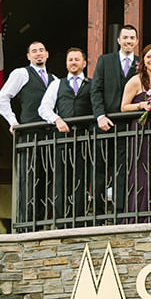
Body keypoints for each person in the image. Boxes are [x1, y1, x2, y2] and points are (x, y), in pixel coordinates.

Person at [0, 40, 55, 230]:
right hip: (29, 134)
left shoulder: (54, 80)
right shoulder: (22, 74)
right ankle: (27, 225)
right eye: (34, 51)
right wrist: (13, 122)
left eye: (41, 51)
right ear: (29, 57)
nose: (38, 54)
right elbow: (2, 98)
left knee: (47, 179)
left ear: (47, 54)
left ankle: (42, 222)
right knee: (28, 178)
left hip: (50, 135)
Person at [36, 46, 91, 227]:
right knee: (60, 179)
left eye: (77, 59)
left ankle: (80, 220)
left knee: (82, 179)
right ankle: (61, 222)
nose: (73, 62)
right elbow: (44, 108)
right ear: (66, 64)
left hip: (84, 138)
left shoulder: (91, 84)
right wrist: (56, 119)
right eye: (70, 60)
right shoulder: (57, 84)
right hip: (62, 139)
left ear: (84, 63)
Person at [90, 25, 140, 221]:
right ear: (119, 40)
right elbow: (96, 90)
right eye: (125, 38)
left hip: (130, 125)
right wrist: (100, 115)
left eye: (132, 38)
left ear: (136, 41)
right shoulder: (105, 60)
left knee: (125, 169)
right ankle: (99, 214)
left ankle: (121, 213)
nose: (128, 41)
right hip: (105, 124)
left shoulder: (140, 63)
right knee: (101, 169)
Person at [119, 44, 151, 222]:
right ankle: (139, 215)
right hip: (141, 131)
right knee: (141, 173)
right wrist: (141, 105)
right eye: (149, 57)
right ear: (143, 60)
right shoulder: (136, 81)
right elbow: (123, 107)